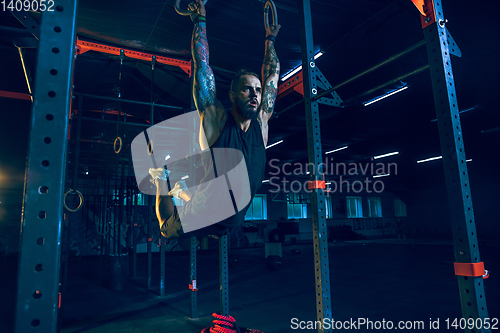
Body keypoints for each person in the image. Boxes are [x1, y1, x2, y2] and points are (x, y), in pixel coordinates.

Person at [149, 0, 281, 240]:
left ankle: (183, 190)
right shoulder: (217, 121)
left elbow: (273, 74)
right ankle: (162, 179)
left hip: (232, 219)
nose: (254, 94)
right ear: (231, 95)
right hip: (204, 215)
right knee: (165, 229)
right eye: (246, 89)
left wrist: (269, 39)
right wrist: (200, 19)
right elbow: (202, 66)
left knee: (217, 222)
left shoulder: (261, 124)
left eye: (258, 90)